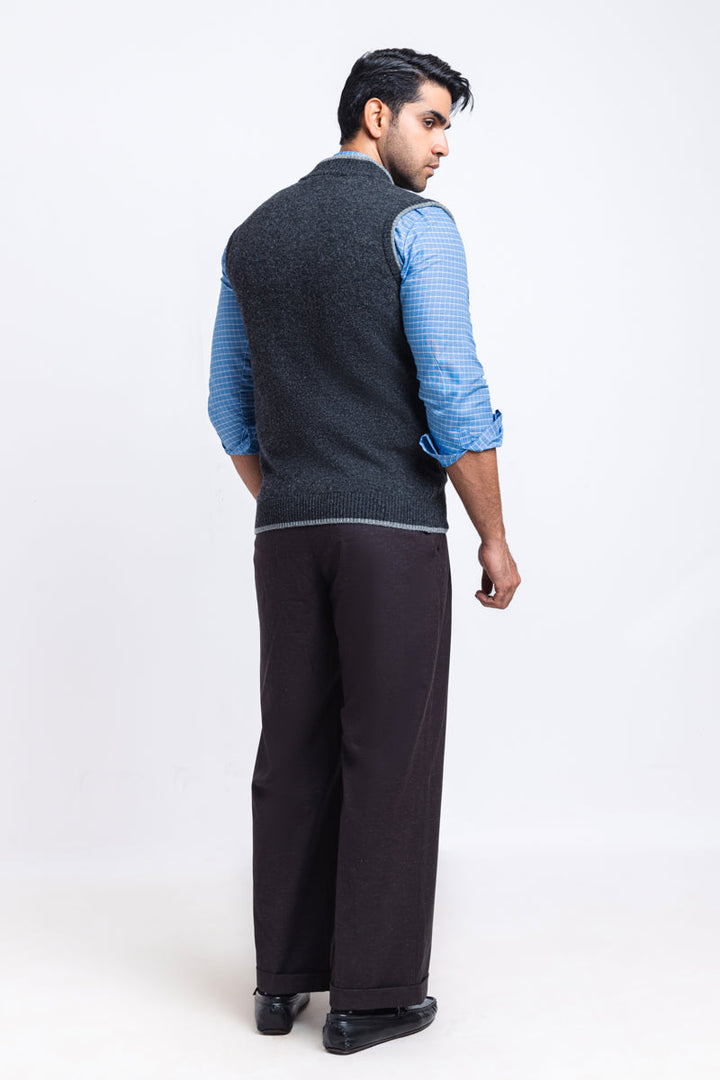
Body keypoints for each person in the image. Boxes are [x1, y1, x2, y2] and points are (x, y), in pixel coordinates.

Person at [208, 46, 521, 1055]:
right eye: (431, 122)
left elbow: (228, 409)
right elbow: (453, 389)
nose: (442, 148)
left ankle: (281, 982)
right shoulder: (415, 227)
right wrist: (495, 535)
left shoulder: (252, 237)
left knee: (292, 747)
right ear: (376, 115)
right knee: (389, 750)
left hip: (286, 532)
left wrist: (298, 497)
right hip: (392, 531)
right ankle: (370, 999)